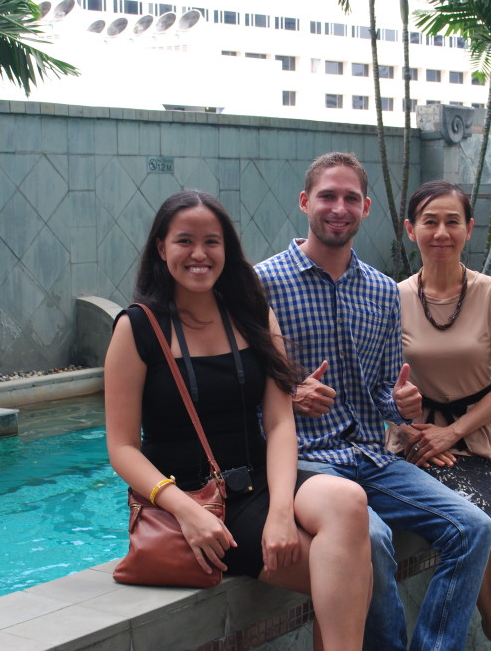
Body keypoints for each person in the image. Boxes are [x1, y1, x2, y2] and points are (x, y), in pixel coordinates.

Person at [104, 190, 371, 651]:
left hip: (260, 486)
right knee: (353, 572)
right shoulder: (137, 329)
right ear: (161, 248)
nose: (199, 254)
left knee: (348, 499)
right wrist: (188, 513)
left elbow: (281, 422)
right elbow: (122, 447)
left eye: (212, 241)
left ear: (227, 250)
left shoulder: (251, 315)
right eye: (184, 241)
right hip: (195, 501)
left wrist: (283, 515)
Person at [255, 153, 491, 651]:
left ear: (365, 208)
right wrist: (291, 394)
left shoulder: (383, 291)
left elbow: (386, 391)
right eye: (327, 196)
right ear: (305, 202)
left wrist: (402, 403)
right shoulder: (263, 285)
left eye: (349, 199)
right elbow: (240, 391)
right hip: (308, 463)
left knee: (474, 527)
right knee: (376, 541)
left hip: (372, 455)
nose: (338, 208)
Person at [390, 180, 491, 651]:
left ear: (469, 229)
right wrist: (417, 436)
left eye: (452, 221)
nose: (441, 232)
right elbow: (382, 387)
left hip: (481, 436)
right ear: (411, 229)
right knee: (474, 530)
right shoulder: (390, 297)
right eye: (429, 221)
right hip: (420, 443)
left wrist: (452, 432)